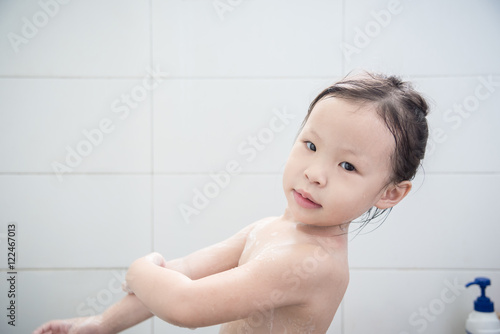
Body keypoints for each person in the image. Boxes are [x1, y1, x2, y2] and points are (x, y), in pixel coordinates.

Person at [33, 71, 430, 334]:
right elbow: (182, 273)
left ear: (390, 192)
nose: (315, 173)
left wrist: (139, 270)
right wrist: (100, 324)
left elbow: (184, 304)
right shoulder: (268, 229)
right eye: (310, 145)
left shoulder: (312, 263)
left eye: (347, 165)